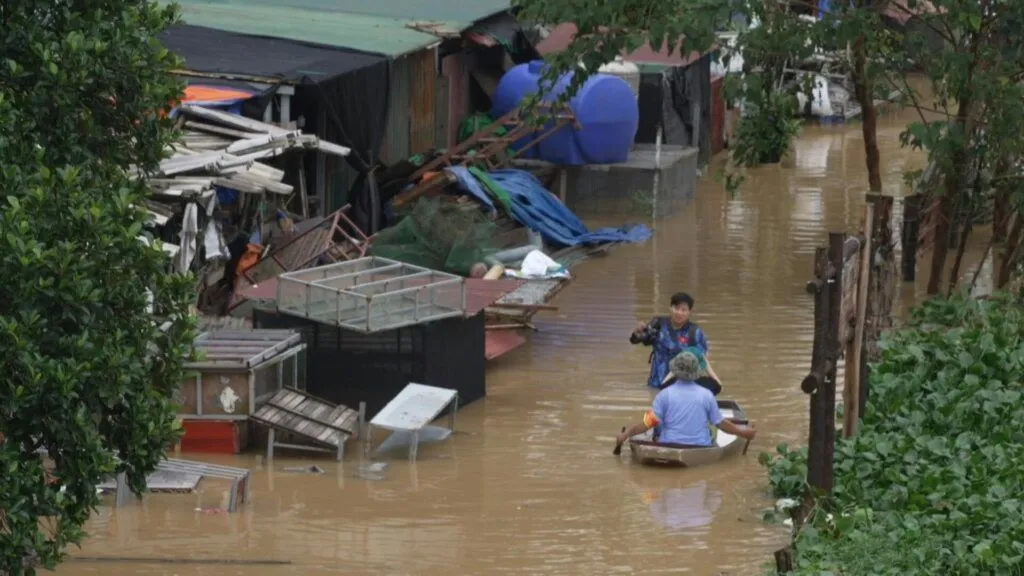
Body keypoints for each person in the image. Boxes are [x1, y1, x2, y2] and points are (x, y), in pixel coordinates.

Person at [615, 351, 755, 449]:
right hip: (700, 446)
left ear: (675, 371)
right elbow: (721, 423)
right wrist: (743, 432)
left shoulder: (664, 394)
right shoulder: (706, 395)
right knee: (711, 428)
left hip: (668, 445)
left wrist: (626, 434)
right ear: (697, 373)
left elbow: (648, 423)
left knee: (659, 423)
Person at [630, 292, 723, 402]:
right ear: (670, 308)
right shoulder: (658, 324)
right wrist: (637, 333)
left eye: (683, 310)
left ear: (689, 312)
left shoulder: (694, 332)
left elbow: (701, 358)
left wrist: (715, 379)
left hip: (682, 388)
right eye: (676, 308)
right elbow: (636, 340)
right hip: (657, 385)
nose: (679, 313)